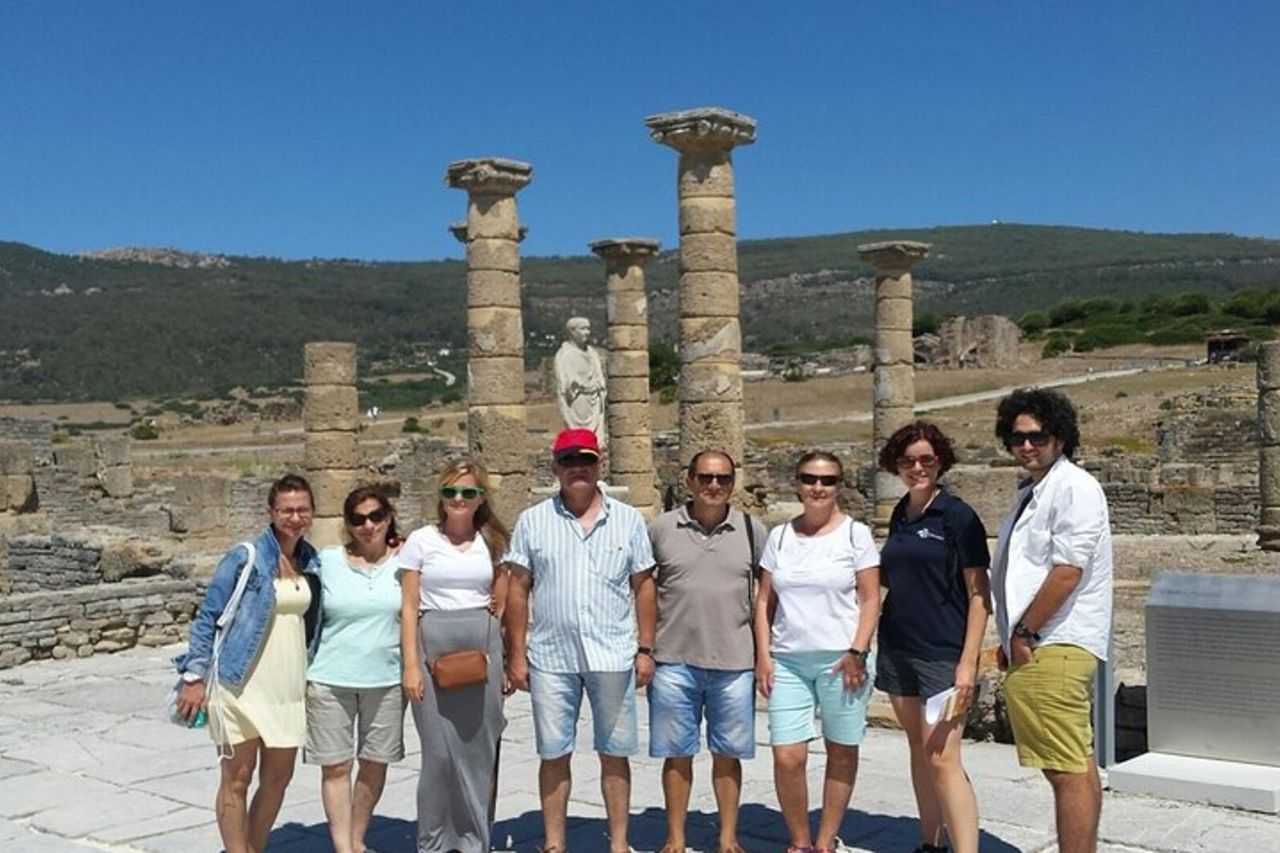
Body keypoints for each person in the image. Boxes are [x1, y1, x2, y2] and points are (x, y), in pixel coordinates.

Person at [504, 428, 655, 853]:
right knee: (553, 754)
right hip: (551, 656)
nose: (578, 468)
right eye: (568, 460)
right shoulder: (533, 521)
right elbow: (518, 590)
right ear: (555, 466)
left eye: (585, 460)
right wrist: (517, 656)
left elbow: (643, 586)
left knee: (615, 752)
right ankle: (554, 844)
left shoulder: (627, 520)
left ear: (599, 464)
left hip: (612, 652)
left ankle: (619, 844)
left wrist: (646, 649)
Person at [991, 388, 1113, 853]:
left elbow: (1067, 571)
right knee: (1072, 764)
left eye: (1038, 437)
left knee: (1066, 769)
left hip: (1054, 643)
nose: (1026, 446)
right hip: (1042, 641)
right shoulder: (1037, 489)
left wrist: (1025, 631)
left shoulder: (1073, 487)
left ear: (1060, 437)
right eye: (1017, 437)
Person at [173, 474, 322, 853]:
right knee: (236, 779)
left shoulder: (311, 560)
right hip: (239, 686)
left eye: (302, 509)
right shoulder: (246, 557)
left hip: (287, 690)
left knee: (278, 779)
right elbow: (208, 616)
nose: (294, 516)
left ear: (312, 513)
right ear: (271, 512)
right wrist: (194, 677)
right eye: (286, 509)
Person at [754, 451, 881, 853]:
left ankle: (826, 841)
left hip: (842, 659)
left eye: (827, 480)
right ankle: (800, 841)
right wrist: (763, 655)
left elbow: (870, 598)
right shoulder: (780, 536)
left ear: (839, 486)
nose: (818, 487)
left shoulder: (854, 534)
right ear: (797, 483)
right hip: (788, 659)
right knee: (787, 756)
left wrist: (858, 651)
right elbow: (764, 602)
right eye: (810, 479)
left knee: (840, 751)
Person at [875, 422, 991, 853]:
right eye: (907, 461)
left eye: (926, 459)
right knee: (920, 751)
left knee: (943, 758)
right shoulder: (901, 511)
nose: (917, 467)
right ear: (896, 465)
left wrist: (968, 662)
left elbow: (980, 594)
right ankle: (931, 843)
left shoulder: (958, 516)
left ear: (940, 461)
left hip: (943, 654)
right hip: (899, 647)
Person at [647, 449, 767, 853]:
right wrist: (642, 647)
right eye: (705, 478)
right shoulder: (661, 529)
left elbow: (768, 596)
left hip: (734, 660)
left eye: (723, 479)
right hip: (673, 659)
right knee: (676, 755)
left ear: (733, 483)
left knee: (728, 755)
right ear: (689, 482)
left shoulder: (753, 530)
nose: (714, 486)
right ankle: (675, 837)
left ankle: (728, 837)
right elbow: (642, 588)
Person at [399, 458, 510, 853]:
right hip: (432, 653)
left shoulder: (493, 542)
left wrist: (507, 660)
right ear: (440, 497)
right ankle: (433, 842)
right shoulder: (421, 541)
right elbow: (410, 607)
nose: (458, 499)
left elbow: (502, 601)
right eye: (450, 492)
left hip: (482, 652)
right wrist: (411, 665)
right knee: (439, 757)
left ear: (481, 498)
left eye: (467, 492)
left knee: (478, 753)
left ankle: (473, 840)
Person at [304, 486, 406, 853]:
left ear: (389, 516)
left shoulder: (407, 560)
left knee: (376, 762)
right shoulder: (326, 560)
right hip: (330, 678)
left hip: (388, 678)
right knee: (335, 766)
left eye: (376, 516)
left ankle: (357, 837)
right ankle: (344, 849)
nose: (368, 525)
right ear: (347, 525)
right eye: (358, 519)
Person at [553, 316, 608, 443]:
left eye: (588, 329)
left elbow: (599, 375)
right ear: (572, 331)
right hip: (577, 401)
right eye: (583, 329)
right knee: (579, 436)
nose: (587, 332)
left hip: (594, 399)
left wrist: (598, 385)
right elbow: (564, 383)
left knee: (595, 439)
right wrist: (575, 385)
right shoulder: (564, 355)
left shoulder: (593, 353)